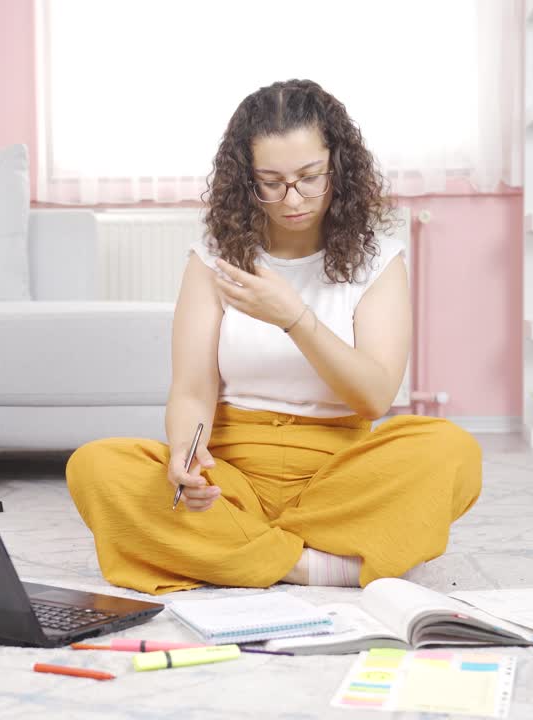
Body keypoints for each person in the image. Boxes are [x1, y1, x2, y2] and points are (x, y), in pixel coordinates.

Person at [66, 79, 481, 595]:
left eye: (310, 178)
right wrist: (183, 454)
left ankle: (235, 553)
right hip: (232, 478)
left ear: (339, 169)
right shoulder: (213, 258)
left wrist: (295, 318)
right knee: (96, 467)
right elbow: (193, 391)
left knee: (450, 450)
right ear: (246, 181)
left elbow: (375, 397)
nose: (293, 199)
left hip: (338, 479)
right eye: (272, 181)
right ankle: (313, 565)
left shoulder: (380, 261)